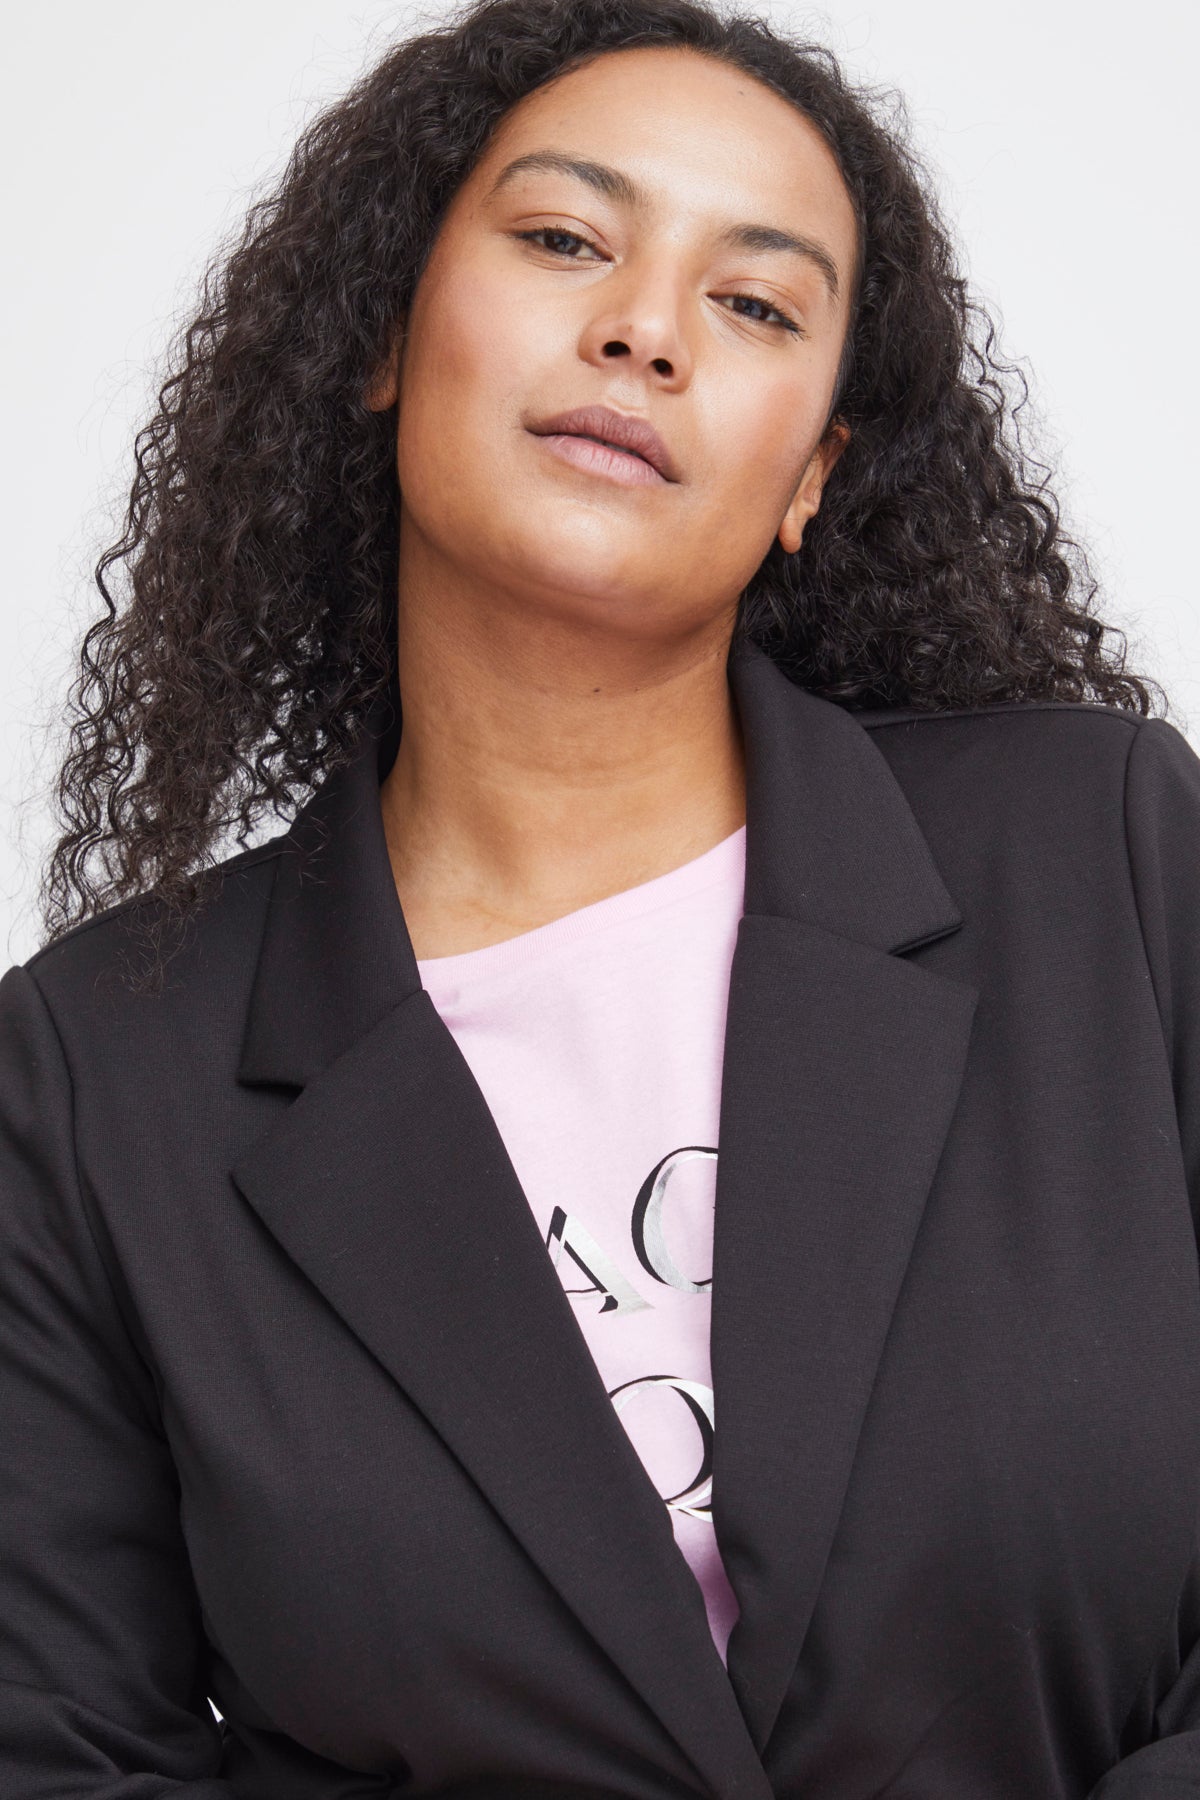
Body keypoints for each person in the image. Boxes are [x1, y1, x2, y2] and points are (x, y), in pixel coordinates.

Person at [2, 0, 1198, 1793]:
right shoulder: (95, 1074)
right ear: (382, 337)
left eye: (757, 303)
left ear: (812, 476)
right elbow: (59, 1747)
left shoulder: (1103, 854)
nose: (646, 329)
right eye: (567, 239)